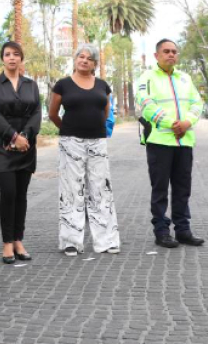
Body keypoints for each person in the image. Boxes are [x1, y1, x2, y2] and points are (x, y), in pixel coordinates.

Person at [49, 44, 120, 257]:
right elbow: (53, 113)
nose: (84, 60)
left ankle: (106, 241)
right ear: (75, 59)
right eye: (81, 56)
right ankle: (71, 241)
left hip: (97, 142)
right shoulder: (63, 85)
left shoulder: (102, 85)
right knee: (72, 190)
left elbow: (105, 111)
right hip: (71, 142)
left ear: (95, 64)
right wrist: (69, 131)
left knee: (100, 189)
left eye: (89, 58)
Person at [136, 39, 205, 249]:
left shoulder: (185, 78)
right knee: (160, 189)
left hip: (184, 142)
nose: (171, 54)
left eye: (174, 51)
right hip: (160, 142)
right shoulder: (147, 77)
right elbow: (146, 105)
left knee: (183, 188)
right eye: (166, 51)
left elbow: (197, 103)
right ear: (157, 55)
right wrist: (171, 123)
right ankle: (162, 231)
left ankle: (183, 230)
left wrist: (187, 122)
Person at [0, 42, 41, 264]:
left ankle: (19, 239)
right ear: (2, 59)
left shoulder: (31, 85)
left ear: (21, 59)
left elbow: (37, 112)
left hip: (26, 148)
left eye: (16, 54)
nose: (11, 58)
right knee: (8, 193)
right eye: (7, 54)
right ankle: (7, 242)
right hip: (3, 147)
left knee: (21, 196)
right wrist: (13, 137)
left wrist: (25, 137)